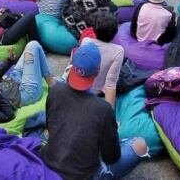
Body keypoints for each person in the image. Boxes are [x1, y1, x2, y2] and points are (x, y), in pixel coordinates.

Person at [42, 42, 148, 179]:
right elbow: (111, 157)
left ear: (72, 66)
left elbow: (51, 129)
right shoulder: (103, 109)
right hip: (81, 176)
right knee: (140, 145)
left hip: (49, 163)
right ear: (97, 72)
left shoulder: (56, 90)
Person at [80, 12, 124, 108]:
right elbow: (111, 83)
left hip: (83, 88)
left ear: (94, 30)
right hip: (98, 92)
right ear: (115, 32)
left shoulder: (86, 42)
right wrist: (110, 111)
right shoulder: (118, 51)